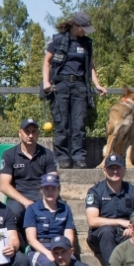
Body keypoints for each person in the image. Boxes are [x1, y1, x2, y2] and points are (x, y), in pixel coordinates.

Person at [42, 10, 107, 168]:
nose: (85, 31)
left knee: (79, 124)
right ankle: (62, 157)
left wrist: (97, 85)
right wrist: (46, 82)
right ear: (76, 26)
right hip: (61, 86)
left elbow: (90, 66)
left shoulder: (86, 43)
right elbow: (47, 62)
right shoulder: (59, 40)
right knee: (62, 123)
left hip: (80, 86)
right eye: (83, 28)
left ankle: (79, 157)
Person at [84, 153, 134, 266]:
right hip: (101, 236)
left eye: (118, 168)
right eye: (111, 168)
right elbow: (92, 221)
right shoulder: (95, 191)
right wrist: (120, 222)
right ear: (104, 170)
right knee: (107, 230)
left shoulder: (132, 190)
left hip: (125, 233)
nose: (115, 172)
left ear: (124, 170)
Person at [0, 117, 58, 210]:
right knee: (11, 215)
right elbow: (4, 186)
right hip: (18, 199)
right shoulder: (9, 155)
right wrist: (25, 202)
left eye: (34, 131)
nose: (30, 135)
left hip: (43, 196)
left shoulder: (48, 154)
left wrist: (45, 200)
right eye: (27, 131)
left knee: (61, 211)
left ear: (38, 133)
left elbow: (53, 181)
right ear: (20, 133)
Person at [22, 172, 76, 266]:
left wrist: (64, 251)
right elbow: (31, 239)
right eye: (46, 188)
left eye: (53, 188)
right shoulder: (32, 209)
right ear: (41, 190)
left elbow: (69, 236)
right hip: (39, 249)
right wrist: (48, 253)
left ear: (58, 190)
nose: (50, 192)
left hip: (60, 246)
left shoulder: (65, 209)